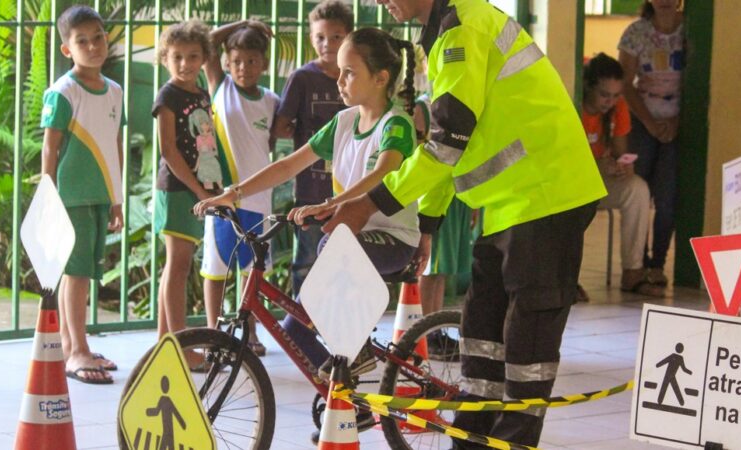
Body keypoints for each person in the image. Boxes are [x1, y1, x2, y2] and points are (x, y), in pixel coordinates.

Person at [324, 0, 607, 447]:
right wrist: (428, 225)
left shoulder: (464, 29)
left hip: (546, 197)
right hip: (507, 207)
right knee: (481, 336)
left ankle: (512, 442)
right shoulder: (440, 39)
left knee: (525, 344)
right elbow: (444, 146)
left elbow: (448, 139)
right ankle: (471, 442)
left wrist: (367, 204)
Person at [194, 26, 418, 436]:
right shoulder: (344, 121)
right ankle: (350, 397)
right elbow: (289, 165)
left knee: (335, 244)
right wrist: (234, 193)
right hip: (347, 240)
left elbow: (385, 170)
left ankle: (356, 350)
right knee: (296, 326)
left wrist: (331, 204)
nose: (339, 80)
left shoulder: (396, 124)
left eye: (349, 72)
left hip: (389, 240)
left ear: (381, 78)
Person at [41, 5, 124, 385]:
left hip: (100, 195)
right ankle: (75, 350)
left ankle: (73, 344)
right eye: (82, 41)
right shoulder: (63, 92)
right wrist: (48, 194)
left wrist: (117, 196)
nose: (92, 46)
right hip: (71, 197)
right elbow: (50, 148)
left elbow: (115, 144)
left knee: (84, 273)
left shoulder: (116, 92)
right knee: (75, 274)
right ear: (67, 50)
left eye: (98, 37)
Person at [200, 20, 279, 356]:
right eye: (236, 61)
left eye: (251, 60)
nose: (244, 68)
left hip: (260, 199)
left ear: (264, 63)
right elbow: (206, 42)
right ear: (226, 64)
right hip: (223, 198)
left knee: (253, 270)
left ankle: (250, 332)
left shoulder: (273, 101)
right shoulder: (221, 87)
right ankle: (214, 331)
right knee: (216, 266)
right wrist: (246, 24)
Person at [272, 0, 353, 298]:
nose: (327, 44)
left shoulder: (358, 77)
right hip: (310, 189)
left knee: (345, 264)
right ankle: (301, 329)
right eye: (320, 37)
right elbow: (281, 125)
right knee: (306, 261)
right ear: (310, 38)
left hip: (349, 191)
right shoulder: (302, 78)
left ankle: (337, 328)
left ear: (349, 37)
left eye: (336, 37)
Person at [152, 20, 217, 361]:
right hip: (178, 190)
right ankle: (180, 346)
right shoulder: (169, 96)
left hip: (196, 191)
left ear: (204, 58)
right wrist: (198, 191)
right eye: (177, 57)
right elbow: (169, 151)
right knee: (177, 267)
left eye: (193, 57)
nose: (185, 64)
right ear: (165, 58)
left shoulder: (200, 92)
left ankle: (166, 343)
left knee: (179, 266)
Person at [581, 53, 663, 298]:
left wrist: (621, 167)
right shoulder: (574, 107)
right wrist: (597, 166)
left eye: (616, 96)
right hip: (572, 184)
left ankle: (633, 272)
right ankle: (567, 278)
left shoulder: (618, 110)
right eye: (605, 94)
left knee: (637, 189)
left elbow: (620, 151)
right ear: (588, 87)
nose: (610, 101)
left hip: (600, 182)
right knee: (570, 204)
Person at [618, 0, 684, 287]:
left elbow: (702, 78)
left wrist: (677, 122)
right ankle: (638, 264)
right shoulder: (635, 32)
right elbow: (624, 83)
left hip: (680, 123)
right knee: (640, 195)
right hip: (641, 124)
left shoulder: (692, 31)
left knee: (668, 199)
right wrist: (648, 122)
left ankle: (658, 263)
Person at [411, 94, 478, 359]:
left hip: (458, 193)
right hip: (433, 195)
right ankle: (426, 333)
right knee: (430, 266)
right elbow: (417, 154)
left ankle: (435, 329)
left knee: (443, 269)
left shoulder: (467, 103)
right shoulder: (423, 108)